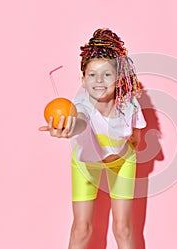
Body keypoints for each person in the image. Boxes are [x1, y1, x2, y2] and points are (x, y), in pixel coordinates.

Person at [39, 28, 146, 249]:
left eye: (107, 74)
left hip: (122, 163)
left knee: (123, 228)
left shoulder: (129, 104)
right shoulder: (81, 107)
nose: (99, 81)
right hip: (86, 165)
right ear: (83, 78)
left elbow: (136, 135)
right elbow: (78, 121)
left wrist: (128, 145)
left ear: (118, 79)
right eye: (92, 75)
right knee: (81, 228)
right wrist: (67, 128)